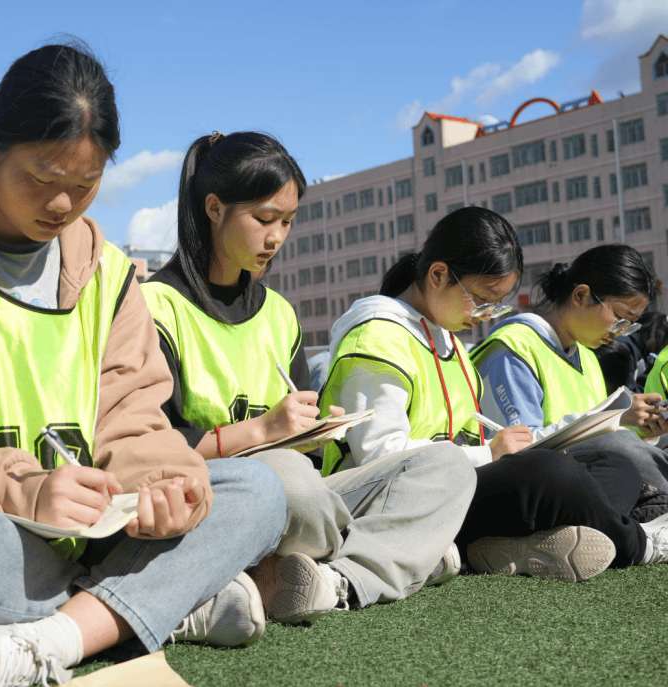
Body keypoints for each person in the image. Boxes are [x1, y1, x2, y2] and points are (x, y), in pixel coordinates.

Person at [0, 43, 286, 687]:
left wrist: (163, 481)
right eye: (43, 180)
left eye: (85, 184)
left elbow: (135, 419)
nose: (62, 205)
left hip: (88, 535)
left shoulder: (108, 273)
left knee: (257, 491)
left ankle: (52, 638)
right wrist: (27, 491)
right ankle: (152, 605)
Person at [142, 131, 476, 621]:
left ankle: (333, 578)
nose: (276, 237)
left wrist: (317, 428)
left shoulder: (278, 312)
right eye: (263, 219)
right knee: (285, 479)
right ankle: (403, 557)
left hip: (305, 500)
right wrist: (262, 432)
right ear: (214, 208)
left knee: (445, 465)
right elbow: (151, 447)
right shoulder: (155, 306)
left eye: (288, 221)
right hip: (220, 495)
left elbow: (308, 450)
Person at [320, 208, 668, 580]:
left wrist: (514, 446)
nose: (487, 315)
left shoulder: (447, 339)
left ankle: (510, 545)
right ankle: (639, 543)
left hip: (452, 490)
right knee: (551, 473)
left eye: (496, 305)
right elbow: (378, 457)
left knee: (612, 466)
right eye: (483, 299)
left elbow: (485, 436)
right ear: (438, 275)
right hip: (398, 504)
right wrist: (489, 453)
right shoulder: (378, 338)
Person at [472, 245, 668, 505]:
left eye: (629, 324)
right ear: (581, 295)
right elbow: (519, 449)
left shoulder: (586, 356)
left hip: (586, 475)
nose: (621, 331)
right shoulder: (513, 348)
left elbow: (592, 436)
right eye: (620, 317)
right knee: (619, 451)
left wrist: (637, 425)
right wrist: (613, 418)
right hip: (528, 487)